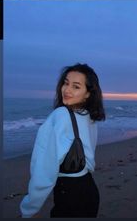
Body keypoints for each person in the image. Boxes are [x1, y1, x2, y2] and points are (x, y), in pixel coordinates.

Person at [20, 63, 106, 218]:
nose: (67, 90)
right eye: (66, 83)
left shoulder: (61, 115)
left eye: (76, 86)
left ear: (88, 93)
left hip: (70, 196)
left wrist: (29, 207)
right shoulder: (88, 116)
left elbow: (44, 169)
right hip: (89, 190)